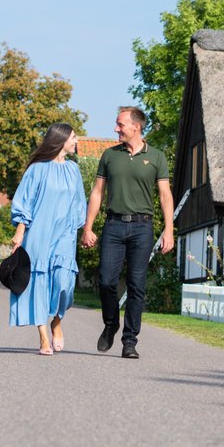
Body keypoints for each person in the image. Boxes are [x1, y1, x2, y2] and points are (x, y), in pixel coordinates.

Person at [82, 106, 174, 359]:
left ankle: (129, 341)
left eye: (120, 124)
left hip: (143, 228)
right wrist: (88, 227)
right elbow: (98, 193)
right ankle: (111, 323)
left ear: (136, 126)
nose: (116, 129)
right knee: (106, 281)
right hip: (113, 225)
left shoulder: (156, 157)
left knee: (137, 286)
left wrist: (169, 230)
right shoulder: (110, 155)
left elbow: (165, 195)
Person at [9, 123, 87, 355]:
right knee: (39, 284)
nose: (76, 141)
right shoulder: (36, 169)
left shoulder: (73, 170)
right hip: (39, 235)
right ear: (61, 139)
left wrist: (80, 230)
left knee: (64, 283)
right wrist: (20, 232)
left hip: (65, 235)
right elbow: (25, 200)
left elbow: (78, 203)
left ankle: (57, 321)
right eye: (73, 137)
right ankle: (43, 336)